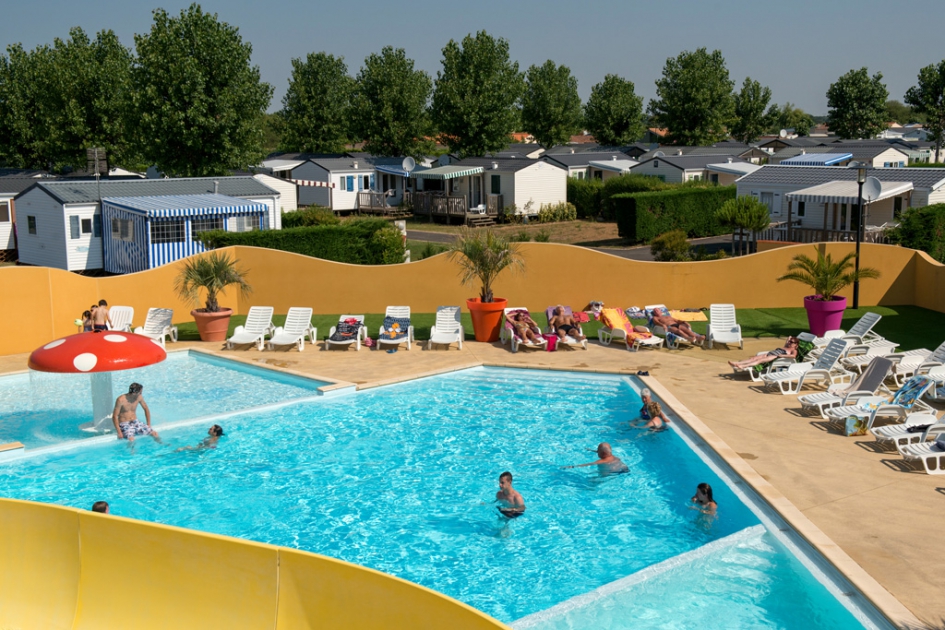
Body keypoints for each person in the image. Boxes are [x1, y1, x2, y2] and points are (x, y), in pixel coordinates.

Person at [728, 337, 799, 369]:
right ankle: (737, 363)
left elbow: (793, 356)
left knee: (759, 361)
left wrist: (782, 355)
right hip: (770, 353)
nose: (789, 343)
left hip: (775, 356)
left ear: (796, 344)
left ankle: (743, 366)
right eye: (790, 341)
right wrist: (790, 339)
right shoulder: (786, 346)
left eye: (791, 342)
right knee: (754, 358)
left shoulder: (793, 350)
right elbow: (788, 338)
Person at [563, 442, 629, 475]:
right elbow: (604, 451)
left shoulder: (602, 461)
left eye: (597, 451)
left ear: (601, 453)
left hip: (610, 474)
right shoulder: (613, 456)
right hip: (622, 469)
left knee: (592, 482)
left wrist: (572, 466)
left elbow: (588, 464)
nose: (597, 452)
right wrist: (591, 450)